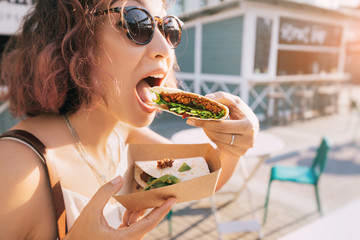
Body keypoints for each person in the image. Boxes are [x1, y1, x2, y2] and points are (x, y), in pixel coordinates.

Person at [0, 0, 259, 239]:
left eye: (169, 28)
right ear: (73, 39)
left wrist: (234, 146)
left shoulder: (122, 137)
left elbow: (208, 176)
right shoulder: (15, 168)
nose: (164, 49)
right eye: (137, 23)